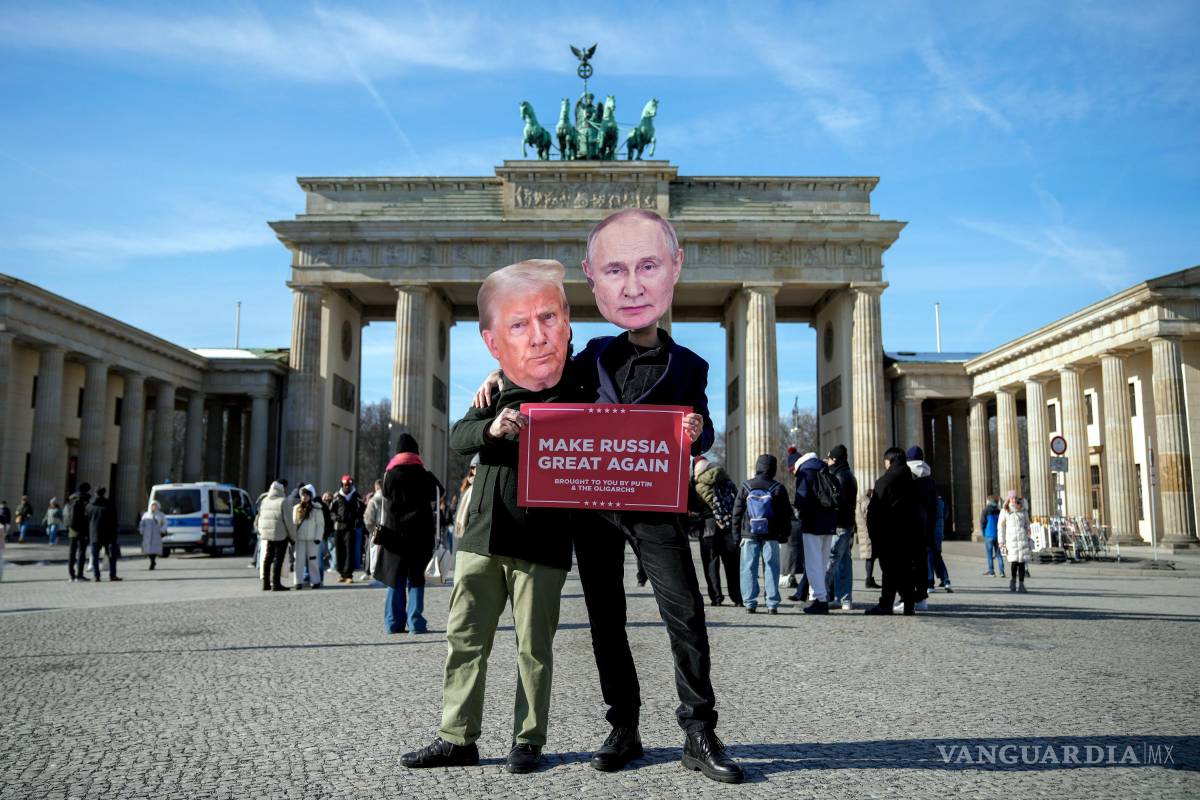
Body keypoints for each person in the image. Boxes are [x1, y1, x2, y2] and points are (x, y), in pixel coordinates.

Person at [573, 209, 741, 784]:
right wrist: (498, 382)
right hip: (595, 509)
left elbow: (705, 426)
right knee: (605, 619)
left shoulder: (689, 363)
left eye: (648, 267)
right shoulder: (592, 354)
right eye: (617, 271)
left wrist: (697, 430)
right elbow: (546, 398)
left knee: (686, 613)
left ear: (671, 274)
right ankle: (624, 726)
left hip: (655, 504)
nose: (634, 285)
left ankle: (698, 729)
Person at [403, 260, 574, 775]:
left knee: (533, 649)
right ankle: (457, 738)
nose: (536, 337)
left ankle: (528, 740)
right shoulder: (495, 390)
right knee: (465, 642)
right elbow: (457, 438)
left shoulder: (582, 385)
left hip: (541, 537)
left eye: (548, 321)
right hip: (482, 534)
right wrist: (491, 426)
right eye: (519, 326)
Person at [378, 434, 441, 635]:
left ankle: (393, 623)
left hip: (394, 535)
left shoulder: (389, 475)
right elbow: (440, 492)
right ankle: (416, 622)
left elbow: (385, 498)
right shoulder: (425, 475)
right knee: (416, 579)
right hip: (420, 535)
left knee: (395, 578)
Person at [864, 448, 922, 615]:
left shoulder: (884, 481)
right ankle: (909, 603)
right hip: (909, 533)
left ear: (889, 461)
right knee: (905, 569)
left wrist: (873, 533)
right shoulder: (911, 480)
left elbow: (874, 510)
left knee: (889, 571)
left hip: (888, 534)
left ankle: (886, 604)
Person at [732, 454, 790, 614]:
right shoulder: (778, 488)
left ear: (758, 467)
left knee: (748, 567)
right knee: (772, 568)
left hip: (748, 534)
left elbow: (736, 513)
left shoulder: (746, 486)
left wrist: (736, 535)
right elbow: (786, 515)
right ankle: (772, 603)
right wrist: (784, 534)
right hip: (771, 535)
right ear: (773, 469)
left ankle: (750, 603)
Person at [691, 457, 741, 607]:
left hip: (708, 527)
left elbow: (693, 507)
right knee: (732, 563)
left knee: (710, 563)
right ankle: (737, 597)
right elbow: (737, 501)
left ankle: (716, 597)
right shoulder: (726, 479)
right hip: (727, 525)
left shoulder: (697, 483)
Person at [792, 451, 836, 614]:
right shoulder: (824, 469)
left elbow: (801, 499)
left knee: (813, 564)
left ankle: (820, 600)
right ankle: (817, 596)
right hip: (829, 522)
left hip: (812, 524)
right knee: (822, 563)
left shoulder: (805, 472)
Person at [824, 445, 859, 611]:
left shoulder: (837, 477)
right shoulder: (849, 475)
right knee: (844, 562)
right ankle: (844, 599)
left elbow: (834, 503)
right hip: (848, 524)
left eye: (829, 458)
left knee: (830, 561)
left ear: (835, 460)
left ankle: (819, 596)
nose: (828, 461)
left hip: (838, 525)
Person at [904, 446, 937, 611]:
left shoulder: (908, 477)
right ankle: (922, 598)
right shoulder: (930, 480)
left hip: (910, 526)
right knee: (922, 563)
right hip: (925, 528)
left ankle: (907, 598)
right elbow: (934, 509)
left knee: (908, 565)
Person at [256, 481, 293, 591]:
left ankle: (266, 583)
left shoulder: (265, 500)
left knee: (268, 558)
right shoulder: (283, 501)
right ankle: (276, 583)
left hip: (267, 534)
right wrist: (293, 536)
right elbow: (288, 521)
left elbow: (260, 517)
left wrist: (262, 532)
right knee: (278, 559)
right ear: (282, 490)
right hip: (280, 534)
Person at [330, 475, 364, 584]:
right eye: (345, 485)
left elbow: (362, 510)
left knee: (350, 551)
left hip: (350, 528)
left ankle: (349, 574)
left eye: (349, 484)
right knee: (339, 551)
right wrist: (335, 517)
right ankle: (341, 573)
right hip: (338, 528)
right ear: (342, 485)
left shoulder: (356, 496)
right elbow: (331, 512)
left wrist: (358, 519)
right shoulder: (337, 496)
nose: (347, 487)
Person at [998, 491, 1032, 593]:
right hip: (1011, 540)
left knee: (1022, 563)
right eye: (1011, 498)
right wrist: (1001, 541)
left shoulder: (1023, 510)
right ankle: (1013, 581)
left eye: (1014, 498)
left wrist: (1028, 533)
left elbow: (1027, 524)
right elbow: (1001, 527)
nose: (1013, 500)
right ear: (1008, 499)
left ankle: (1021, 584)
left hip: (1022, 539)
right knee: (1014, 562)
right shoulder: (1005, 511)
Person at [292, 486, 324, 589]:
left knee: (313, 560)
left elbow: (320, 524)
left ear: (310, 496)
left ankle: (315, 581)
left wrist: (318, 537)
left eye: (307, 495)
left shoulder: (316, 508)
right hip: (299, 539)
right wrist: (292, 537)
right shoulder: (296, 508)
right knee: (298, 561)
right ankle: (298, 581)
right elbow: (294, 524)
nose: (305, 497)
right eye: (303, 495)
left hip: (312, 539)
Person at [86, 488, 120, 582]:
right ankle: (112, 575)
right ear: (104, 494)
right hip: (109, 534)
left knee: (95, 556)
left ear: (95, 493)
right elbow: (115, 520)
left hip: (94, 534)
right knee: (112, 556)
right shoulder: (110, 504)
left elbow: (87, 520)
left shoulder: (89, 506)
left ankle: (96, 576)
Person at [927, 495, 952, 592]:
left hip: (930, 533)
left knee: (929, 557)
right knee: (937, 556)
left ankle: (930, 584)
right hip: (939, 532)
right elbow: (945, 515)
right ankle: (946, 581)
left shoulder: (929, 501)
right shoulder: (942, 502)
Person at [363, 478, 385, 579]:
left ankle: (375, 574)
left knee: (374, 552)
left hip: (376, 529)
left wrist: (371, 530)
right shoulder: (390, 499)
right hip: (388, 529)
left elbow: (368, 518)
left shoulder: (374, 500)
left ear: (376, 487)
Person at [857, 489, 878, 589]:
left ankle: (869, 579)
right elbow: (870, 517)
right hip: (868, 533)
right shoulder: (867, 502)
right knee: (870, 557)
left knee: (869, 557)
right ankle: (869, 580)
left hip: (863, 532)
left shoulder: (860, 501)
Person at [980, 495, 1004, 577]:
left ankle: (991, 572)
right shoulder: (998, 510)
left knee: (989, 555)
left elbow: (982, 522)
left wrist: (983, 533)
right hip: (997, 534)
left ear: (988, 501)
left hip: (988, 534)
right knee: (999, 554)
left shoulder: (985, 510)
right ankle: (1001, 572)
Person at [139, 501, 165, 570]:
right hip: (147, 534)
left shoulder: (160, 515)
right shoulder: (146, 515)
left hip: (156, 534)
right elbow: (142, 524)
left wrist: (162, 530)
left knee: (154, 549)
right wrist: (142, 531)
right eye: (152, 505)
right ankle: (152, 561)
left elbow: (164, 524)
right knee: (148, 549)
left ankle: (152, 562)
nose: (154, 507)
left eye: (155, 505)